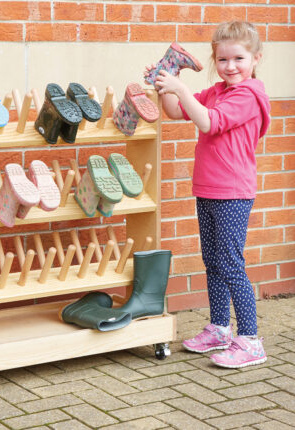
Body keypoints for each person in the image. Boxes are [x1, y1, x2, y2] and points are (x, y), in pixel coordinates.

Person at [144, 21, 271, 369]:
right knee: (213, 262)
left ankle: (250, 340)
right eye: (223, 59)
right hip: (208, 189)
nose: (230, 66)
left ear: (256, 58)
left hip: (233, 193)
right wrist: (165, 83)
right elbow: (175, 111)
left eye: (239, 58)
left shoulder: (248, 96)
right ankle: (219, 329)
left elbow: (209, 123)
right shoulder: (217, 92)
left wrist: (180, 88)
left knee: (231, 265)